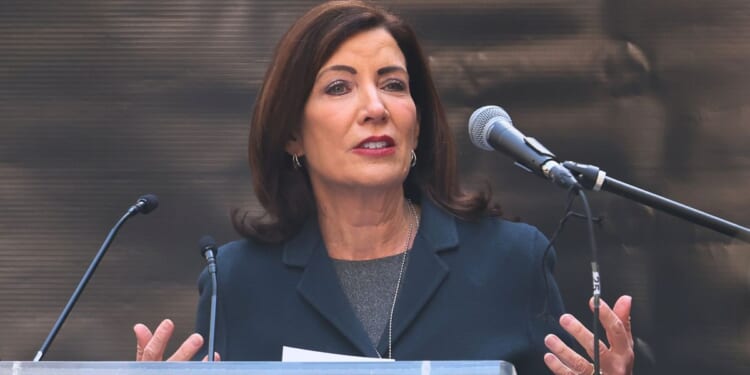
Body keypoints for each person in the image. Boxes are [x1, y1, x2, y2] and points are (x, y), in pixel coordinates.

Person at [133, 1, 635, 374]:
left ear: (415, 126)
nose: (376, 107)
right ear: (291, 134)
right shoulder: (237, 283)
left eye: (394, 84)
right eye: (339, 86)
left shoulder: (512, 261)